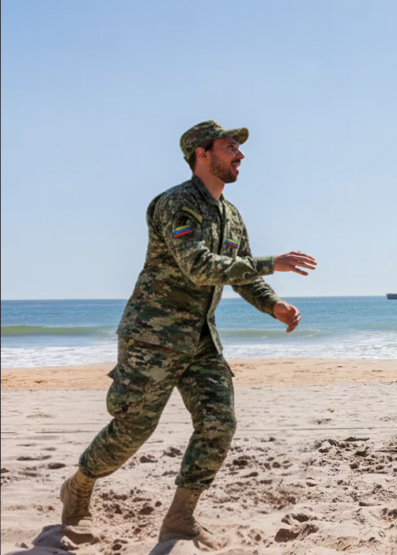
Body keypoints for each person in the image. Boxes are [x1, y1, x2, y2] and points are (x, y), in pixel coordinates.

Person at [59, 120, 317, 548]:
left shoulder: (231, 215)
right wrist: (274, 262)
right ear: (202, 153)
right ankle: (79, 488)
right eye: (230, 146)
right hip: (153, 338)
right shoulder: (177, 203)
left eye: (239, 147)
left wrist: (273, 303)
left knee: (219, 424)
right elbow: (199, 266)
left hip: (200, 339)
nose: (241, 154)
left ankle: (180, 518)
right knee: (132, 430)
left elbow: (243, 272)